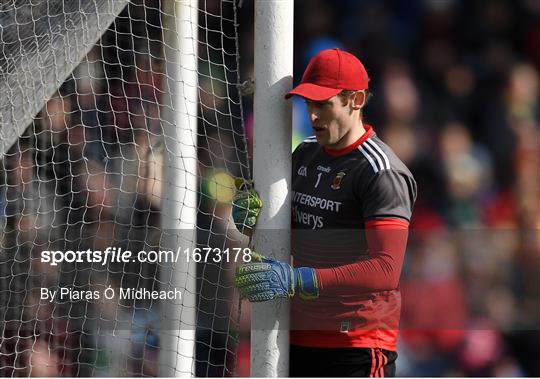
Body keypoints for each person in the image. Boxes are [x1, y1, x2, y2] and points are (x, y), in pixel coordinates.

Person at [234, 48, 417, 377]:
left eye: (323, 104)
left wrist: (299, 279)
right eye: (308, 104)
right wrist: (252, 219)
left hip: (356, 346)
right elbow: (296, 228)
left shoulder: (380, 171)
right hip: (299, 339)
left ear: (357, 100)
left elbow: (386, 269)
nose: (313, 116)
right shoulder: (304, 153)